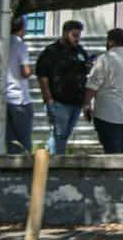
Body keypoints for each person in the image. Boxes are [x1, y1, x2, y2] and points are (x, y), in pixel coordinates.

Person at [83, 28, 123, 155]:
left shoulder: (105, 59)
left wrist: (86, 104)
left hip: (108, 114)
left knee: (111, 152)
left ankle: (115, 175)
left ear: (110, 41)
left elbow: (92, 85)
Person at [35, 20, 90, 155]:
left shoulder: (79, 50)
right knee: (58, 134)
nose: (77, 39)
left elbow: (85, 70)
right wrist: (48, 99)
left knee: (65, 134)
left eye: (79, 36)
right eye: (74, 35)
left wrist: (88, 67)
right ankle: (54, 163)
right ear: (65, 33)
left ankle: (54, 159)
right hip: (59, 101)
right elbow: (42, 76)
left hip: (76, 101)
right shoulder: (51, 51)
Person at [4, 17, 33, 154]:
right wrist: (31, 70)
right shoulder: (21, 45)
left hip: (4, 98)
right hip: (20, 99)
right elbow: (25, 71)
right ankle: (24, 168)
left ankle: (12, 168)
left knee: (10, 138)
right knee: (24, 138)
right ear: (22, 28)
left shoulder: (1, 44)